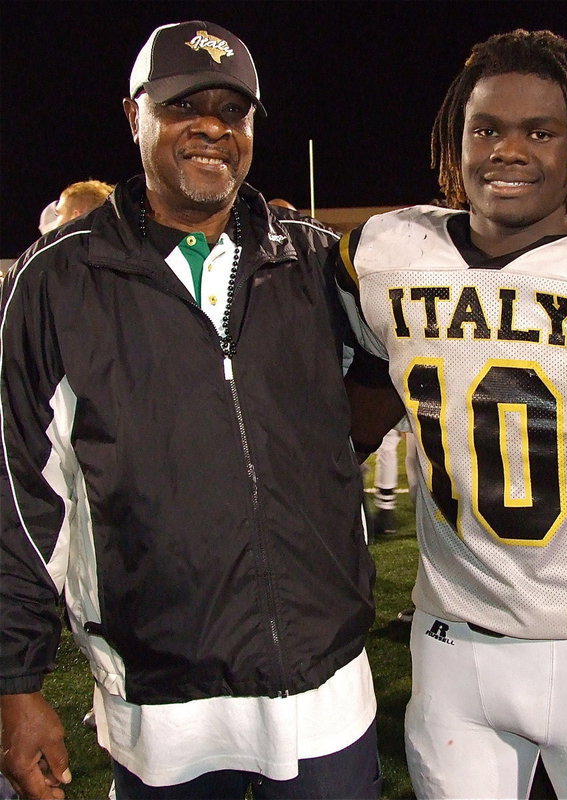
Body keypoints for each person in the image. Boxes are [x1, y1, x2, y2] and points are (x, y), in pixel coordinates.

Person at [0, 21, 380, 800]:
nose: (212, 127)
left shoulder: (311, 264)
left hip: (323, 686)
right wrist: (15, 676)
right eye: (183, 106)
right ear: (133, 114)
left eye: (232, 111)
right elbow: (17, 494)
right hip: (163, 695)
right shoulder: (57, 281)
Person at [334, 29, 567, 799]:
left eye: (540, 131)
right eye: (485, 129)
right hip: (450, 649)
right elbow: (345, 434)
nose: (507, 150)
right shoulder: (388, 257)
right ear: (453, 139)